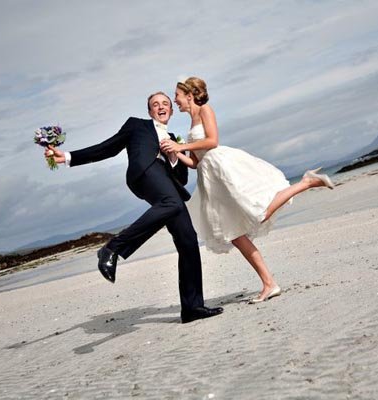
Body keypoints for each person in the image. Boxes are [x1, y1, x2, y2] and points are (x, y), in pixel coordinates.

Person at [45, 91, 223, 324]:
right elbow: (106, 147)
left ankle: (192, 307)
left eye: (166, 104)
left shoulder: (175, 139)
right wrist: (67, 157)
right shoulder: (136, 126)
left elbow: (182, 177)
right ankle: (112, 248)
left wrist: (174, 153)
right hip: (145, 174)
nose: (161, 107)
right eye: (155, 104)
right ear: (150, 111)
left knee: (188, 239)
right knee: (170, 203)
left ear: (170, 111)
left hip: (169, 187)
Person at [160, 77, 334, 303]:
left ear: (189, 95)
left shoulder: (204, 109)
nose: (175, 100)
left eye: (177, 95)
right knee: (234, 233)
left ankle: (305, 183)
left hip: (222, 168)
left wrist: (181, 145)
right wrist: (176, 153)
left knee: (255, 214)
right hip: (208, 177)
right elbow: (195, 162)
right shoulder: (191, 121)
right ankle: (269, 283)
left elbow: (212, 141)